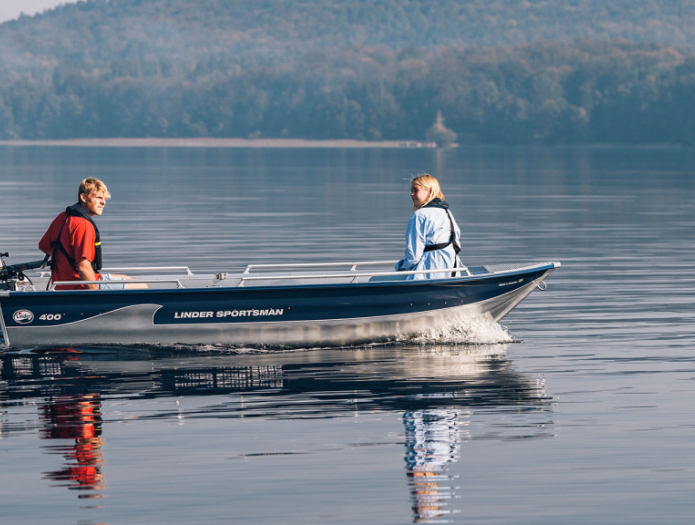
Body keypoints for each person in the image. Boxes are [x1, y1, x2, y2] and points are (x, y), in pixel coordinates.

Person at [39, 178, 146, 290]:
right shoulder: (83, 225)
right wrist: (95, 293)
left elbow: (44, 246)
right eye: (98, 198)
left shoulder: (62, 217)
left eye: (104, 199)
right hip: (78, 286)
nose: (103, 202)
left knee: (128, 279)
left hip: (61, 284)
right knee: (142, 286)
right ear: (84, 197)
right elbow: (83, 267)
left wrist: (64, 259)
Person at [395, 174, 462, 280]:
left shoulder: (419, 215)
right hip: (452, 268)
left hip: (430, 271)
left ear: (430, 192)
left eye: (415, 190)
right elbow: (456, 242)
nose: (411, 194)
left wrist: (402, 268)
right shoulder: (446, 212)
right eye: (411, 190)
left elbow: (414, 255)